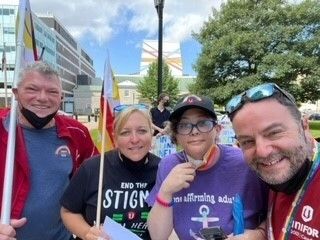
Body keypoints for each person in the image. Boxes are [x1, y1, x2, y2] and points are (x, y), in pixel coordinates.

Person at [146, 95, 268, 240]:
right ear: (176, 135)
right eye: (184, 125)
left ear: (217, 129)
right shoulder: (168, 165)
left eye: (203, 123)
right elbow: (158, 236)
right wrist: (165, 192)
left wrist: (259, 234)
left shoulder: (245, 163)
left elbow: (278, 212)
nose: (194, 131)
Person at [0, 61, 98, 239]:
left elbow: (97, 179)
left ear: (61, 97)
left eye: (52, 91)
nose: (43, 97)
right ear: (16, 93)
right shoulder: (3, 128)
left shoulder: (77, 133)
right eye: (32, 89)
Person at [225, 83, 319, 240]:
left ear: (304, 126)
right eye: (247, 141)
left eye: (274, 133)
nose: (262, 152)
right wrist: (260, 233)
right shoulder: (279, 172)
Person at [60, 106, 161, 240]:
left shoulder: (163, 170)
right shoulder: (92, 168)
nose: (135, 139)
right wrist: (86, 233)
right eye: (125, 133)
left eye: (142, 131)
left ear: (151, 133)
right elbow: (68, 211)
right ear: (115, 138)